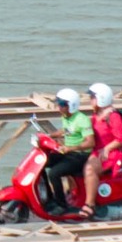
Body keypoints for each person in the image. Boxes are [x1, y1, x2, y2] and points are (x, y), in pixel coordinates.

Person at [37, 87, 92, 217]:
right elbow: (67, 130)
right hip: (68, 153)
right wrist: (50, 135)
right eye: (58, 103)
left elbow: (90, 142)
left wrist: (70, 148)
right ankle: (49, 198)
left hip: (80, 156)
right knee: (42, 163)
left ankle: (62, 206)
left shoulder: (82, 120)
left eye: (62, 104)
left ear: (71, 106)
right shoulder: (66, 117)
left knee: (54, 173)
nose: (59, 107)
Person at [84, 82, 122, 216]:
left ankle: (90, 205)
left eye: (92, 97)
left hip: (110, 154)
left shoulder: (112, 116)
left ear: (101, 98)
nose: (90, 100)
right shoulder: (96, 115)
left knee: (89, 169)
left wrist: (107, 148)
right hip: (97, 151)